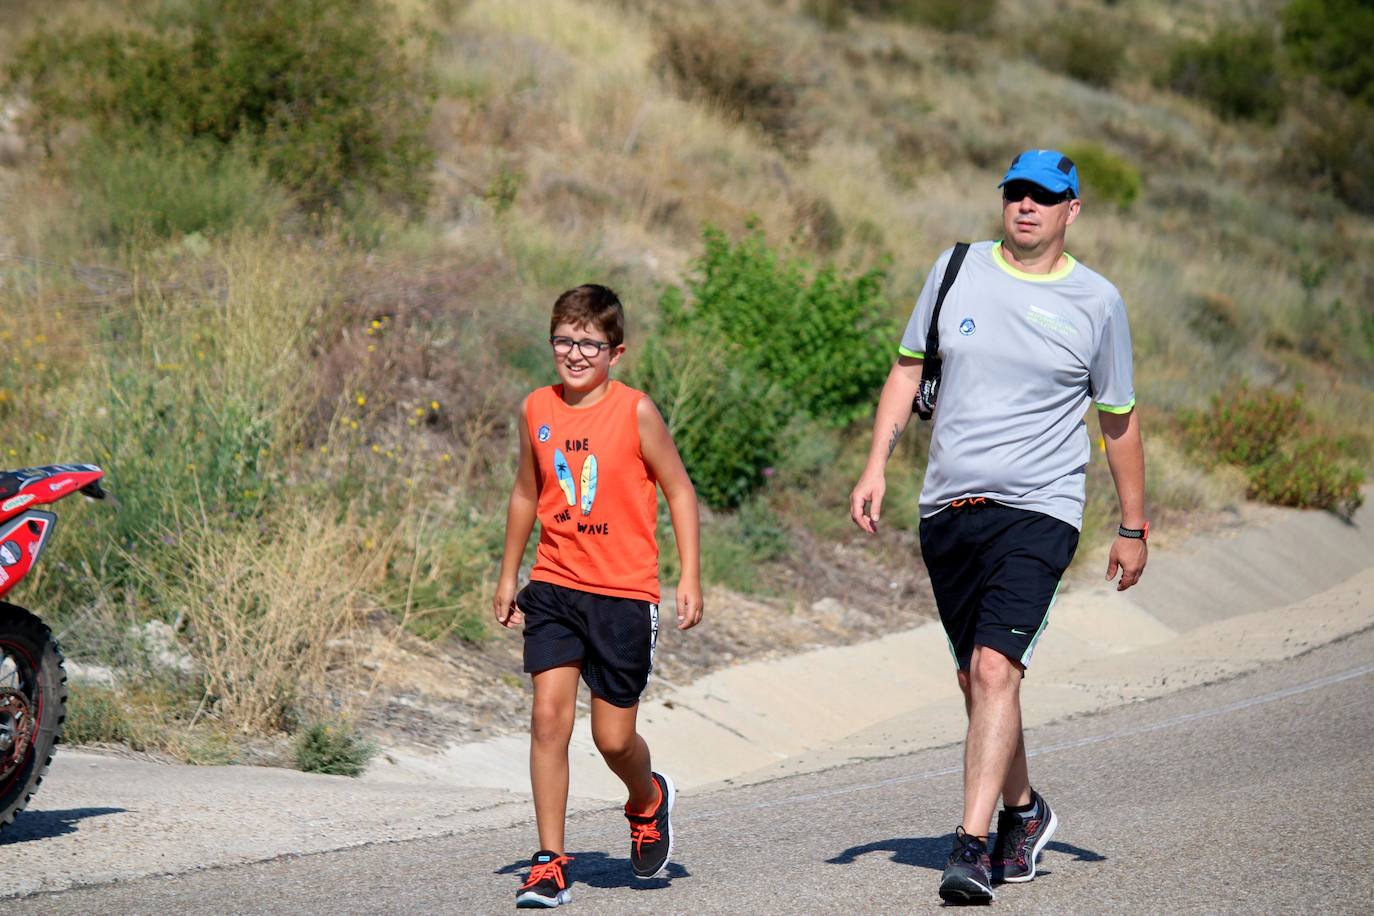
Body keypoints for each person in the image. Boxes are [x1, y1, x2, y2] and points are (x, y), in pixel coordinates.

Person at [848, 149, 1148, 904]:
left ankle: (970, 847)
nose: (1026, 207)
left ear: (1071, 210)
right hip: (950, 508)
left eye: (1045, 198)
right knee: (975, 680)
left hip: (1041, 509)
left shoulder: (1096, 302)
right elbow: (908, 368)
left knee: (993, 672)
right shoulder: (955, 270)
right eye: (1017, 193)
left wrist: (1133, 525)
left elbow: (1118, 421)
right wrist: (876, 465)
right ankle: (1024, 810)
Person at [493, 283, 703, 909]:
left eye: (590, 343)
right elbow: (527, 493)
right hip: (555, 582)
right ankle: (550, 860)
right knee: (547, 720)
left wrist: (689, 575)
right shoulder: (537, 407)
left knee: (613, 740)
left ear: (617, 351)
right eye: (565, 339)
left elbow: (680, 491)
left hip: (623, 592)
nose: (575, 353)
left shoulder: (635, 411)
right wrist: (509, 574)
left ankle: (646, 798)